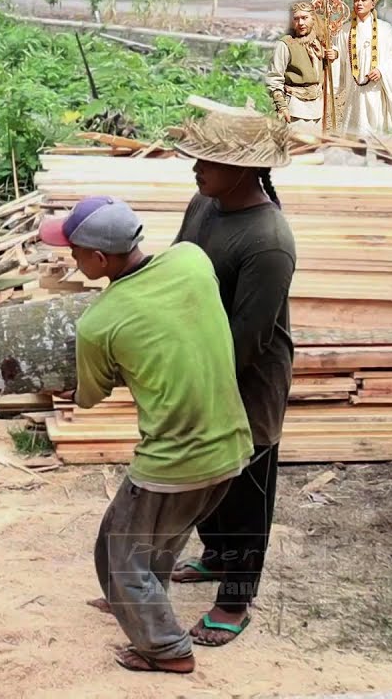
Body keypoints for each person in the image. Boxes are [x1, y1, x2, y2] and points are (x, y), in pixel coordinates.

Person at [41, 197, 253, 674]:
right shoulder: (191, 260)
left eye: (73, 251)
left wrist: (68, 382)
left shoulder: (100, 322)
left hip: (175, 461)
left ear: (98, 259)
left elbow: (88, 397)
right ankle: (135, 606)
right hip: (232, 445)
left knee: (123, 560)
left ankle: (167, 650)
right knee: (133, 537)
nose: (69, 258)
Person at [166, 98, 297, 648]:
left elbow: (249, 337)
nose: (194, 167)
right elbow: (176, 266)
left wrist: (199, 383)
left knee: (244, 489)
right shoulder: (204, 202)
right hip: (200, 363)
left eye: (205, 159)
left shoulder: (267, 241)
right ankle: (217, 557)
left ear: (243, 168)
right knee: (203, 474)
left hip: (245, 381)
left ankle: (236, 599)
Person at [330, 0, 392, 136]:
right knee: (355, 131)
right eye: (356, 0)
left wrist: (382, 70)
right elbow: (340, 52)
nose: (359, 3)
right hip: (354, 88)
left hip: (376, 90)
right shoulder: (345, 30)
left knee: (377, 130)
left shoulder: (385, 29)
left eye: (363, 0)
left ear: (372, 4)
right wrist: (334, 54)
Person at [265, 1, 337, 133]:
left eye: (305, 18)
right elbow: (274, 77)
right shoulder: (285, 44)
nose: (301, 23)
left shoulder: (318, 44)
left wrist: (332, 56)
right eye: (296, 19)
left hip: (317, 108)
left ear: (313, 19)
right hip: (296, 108)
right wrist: (282, 106)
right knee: (297, 150)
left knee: (314, 150)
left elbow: (323, 71)